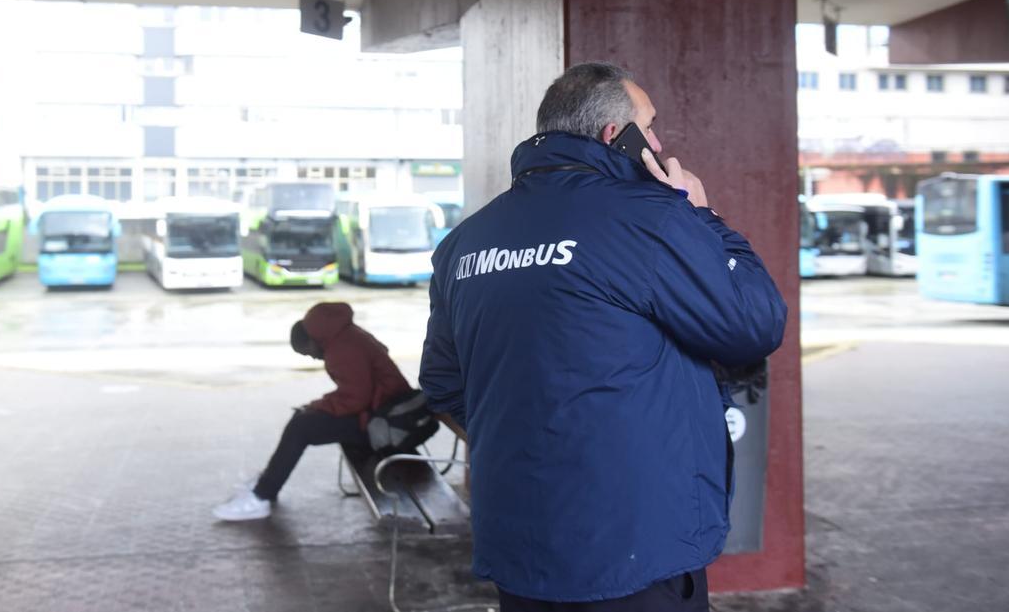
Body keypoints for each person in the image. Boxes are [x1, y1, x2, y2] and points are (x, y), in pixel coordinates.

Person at [419, 62, 788, 611]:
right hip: (634, 548)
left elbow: (443, 384)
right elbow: (755, 324)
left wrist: (540, 446)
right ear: (618, 136)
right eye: (651, 125)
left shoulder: (464, 244)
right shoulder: (651, 220)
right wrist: (704, 215)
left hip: (520, 547)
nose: (659, 142)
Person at [213, 301, 411, 521]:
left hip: (386, 423)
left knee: (301, 427)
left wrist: (318, 406)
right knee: (303, 419)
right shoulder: (346, 334)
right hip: (381, 413)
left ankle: (261, 497)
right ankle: (267, 482)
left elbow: (356, 398)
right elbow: (358, 392)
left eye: (308, 353)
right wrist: (316, 407)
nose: (315, 358)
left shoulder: (340, 348)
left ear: (312, 340)